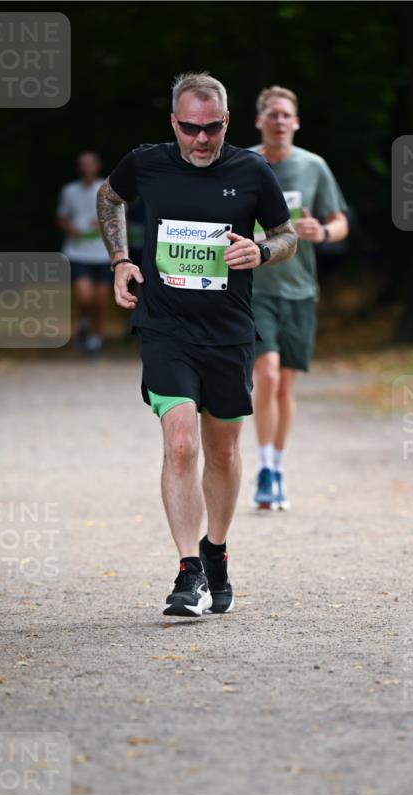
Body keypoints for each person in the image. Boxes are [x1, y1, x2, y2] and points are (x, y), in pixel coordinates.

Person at [96, 73, 296, 616]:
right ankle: (188, 573)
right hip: (165, 326)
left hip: (229, 330)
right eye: (190, 129)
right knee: (181, 443)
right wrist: (119, 261)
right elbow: (109, 196)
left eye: (211, 128)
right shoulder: (148, 162)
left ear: (227, 122)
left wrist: (262, 251)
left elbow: (287, 234)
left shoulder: (252, 170)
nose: (201, 140)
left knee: (225, 450)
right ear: (174, 124)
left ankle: (216, 550)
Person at [250, 86, 349, 510]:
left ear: (297, 122)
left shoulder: (314, 167)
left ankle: (280, 463)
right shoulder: (244, 165)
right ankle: (264, 468)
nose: (279, 121)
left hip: (300, 289)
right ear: (259, 121)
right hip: (255, 288)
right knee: (267, 375)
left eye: (286, 115)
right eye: (272, 114)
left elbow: (340, 221)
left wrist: (322, 233)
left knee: (286, 386)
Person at [56, 151, 112, 358]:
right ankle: (85, 322)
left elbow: (119, 215)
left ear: (98, 166)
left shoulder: (106, 189)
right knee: (85, 297)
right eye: (83, 164)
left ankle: (95, 339)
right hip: (77, 252)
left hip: (104, 253)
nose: (86, 168)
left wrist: (103, 223)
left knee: (101, 300)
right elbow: (61, 218)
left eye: (90, 164)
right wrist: (72, 229)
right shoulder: (69, 191)